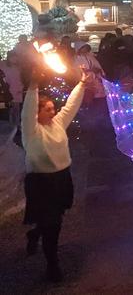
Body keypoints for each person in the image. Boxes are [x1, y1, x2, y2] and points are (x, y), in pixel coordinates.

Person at [22, 66, 88, 282]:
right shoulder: (31, 131)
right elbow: (28, 109)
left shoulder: (58, 123)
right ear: (37, 114)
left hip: (61, 179)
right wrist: (33, 85)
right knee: (53, 224)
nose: (53, 112)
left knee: (54, 218)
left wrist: (82, 84)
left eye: (53, 108)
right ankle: (53, 265)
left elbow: (70, 106)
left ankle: (35, 233)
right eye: (47, 109)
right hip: (41, 182)